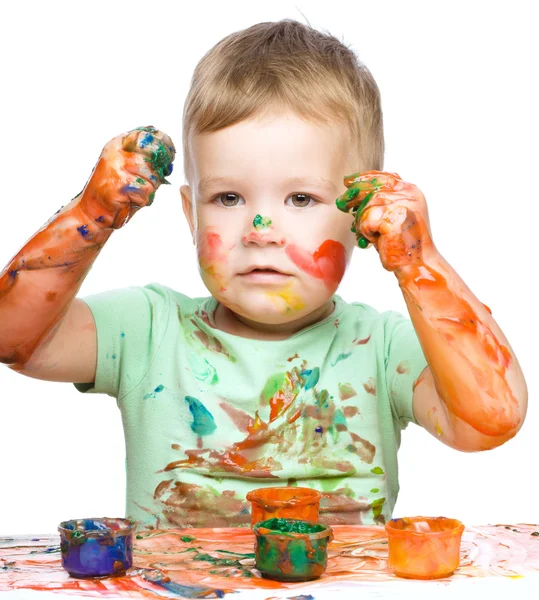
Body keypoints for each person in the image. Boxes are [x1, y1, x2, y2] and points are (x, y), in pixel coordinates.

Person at [0, 20, 527, 530]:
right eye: (228, 197)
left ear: (361, 216)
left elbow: (490, 421)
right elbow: (13, 337)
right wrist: (91, 214)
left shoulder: (382, 347)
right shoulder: (147, 330)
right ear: (191, 214)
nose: (261, 229)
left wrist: (419, 261)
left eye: (301, 198)